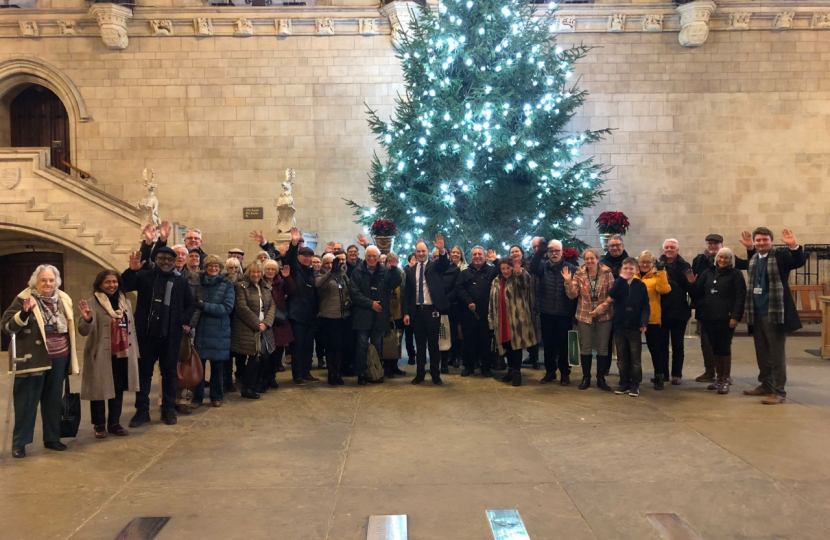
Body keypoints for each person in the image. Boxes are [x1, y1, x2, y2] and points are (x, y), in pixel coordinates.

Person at [2, 265, 79, 458]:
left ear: (57, 282)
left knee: (53, 401)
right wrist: (24, 314)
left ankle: (52, 438)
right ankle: (20, 443)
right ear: (35, 282)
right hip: (32, 359)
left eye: (51, 280)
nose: (48, 284)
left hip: (60, 357)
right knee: (26, 403)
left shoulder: (63, 299)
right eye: (43, 280)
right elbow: (7, 327)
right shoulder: (23, 299)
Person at [122, 247, 195, 427]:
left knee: (169, 373)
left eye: (170, 259)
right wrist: (132, 270)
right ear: (156, 259)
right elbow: (125, 285)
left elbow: (191, 304)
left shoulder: (181, 281)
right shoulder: (145, 276)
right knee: (144, 374)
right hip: (146, 334)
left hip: (170, 335)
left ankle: (168, 409)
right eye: (162, 258)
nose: (167, 262)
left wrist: (182, 321)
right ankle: (142, 411)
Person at [743, 228, 805, 404]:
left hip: (775, 313)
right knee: (762, 352)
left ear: (771, 241)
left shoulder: (780, 256)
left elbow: (798, 262)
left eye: (765, 240)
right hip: (757, 313)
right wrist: (749, 249)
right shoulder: (755, 259)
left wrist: (794, 245)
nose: (761, 243)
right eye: (758, 240)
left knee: (776, 354)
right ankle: (766, 385)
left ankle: (779, 391)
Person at [78, 270, 139, 439]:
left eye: (114, 282)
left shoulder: (125, 302)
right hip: (100, 353)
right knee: (99, 390)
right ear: (100, 284)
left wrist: (136, 352)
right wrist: (87, 319)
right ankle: (99, 424)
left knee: (118, 389)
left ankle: (114, 422)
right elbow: (83, 331)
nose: (112, 285)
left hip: (122, 352)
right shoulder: (92, 302)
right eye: (107, 282)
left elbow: (131, 327)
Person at [690, 232, 753, 383]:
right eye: (709, 243)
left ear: (721, 245)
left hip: (725, 313)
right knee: (706, 343)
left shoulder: (733, 267)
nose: (712, 246)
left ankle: (724, 376)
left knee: (722, 344)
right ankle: (710, 372)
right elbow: (696, 288)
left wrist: (751, 248)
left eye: (715, 243)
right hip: (706, 312)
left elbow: (751, 265)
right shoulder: (699, 261)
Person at [563, 248, 614, 391]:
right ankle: (586, 377)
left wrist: (601, 308)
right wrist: (567, 282)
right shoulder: (579, 274)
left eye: (592, 258)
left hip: (604, 315)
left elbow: (613, 294)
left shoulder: (607, 272)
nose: (590, 261)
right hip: (584, 314)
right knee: (585, 347)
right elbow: (572, 295)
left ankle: (601, 378)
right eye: (587, 259)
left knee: (603, 348)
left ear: (597, 259)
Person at [350, 245, 403, 385]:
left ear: (379, 257)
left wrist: (394, 269)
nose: (372, 258)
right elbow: (354, 293)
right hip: (362, 315)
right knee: (361, 345)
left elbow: (395, 283)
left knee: (378, 345)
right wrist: (370, 304)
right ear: (365, 257)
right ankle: (361, 373)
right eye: (369, 256)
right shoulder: (357, 272)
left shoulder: (385, 271)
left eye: (374, 256)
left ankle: (376, 372)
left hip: (380, 316)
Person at [403, 234, 450, 385]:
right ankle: (420, 374)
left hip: (432, 310)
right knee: (420, 345)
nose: (421, 254)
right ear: (415, 253)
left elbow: (444, 263)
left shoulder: (435, 266)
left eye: (424, 251)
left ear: (428, 252)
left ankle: (435, 375)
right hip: (417, 311)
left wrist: (442, 250)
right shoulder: (410, 271)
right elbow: (407, 294)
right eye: (418, 252)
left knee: (434, 344)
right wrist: (406, 313)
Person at [529, 239, 578, 385]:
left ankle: (564, 373)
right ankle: (550, 372)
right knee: (549, 345)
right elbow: (532, 268)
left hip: (564, 313)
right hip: (546, 312)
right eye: (551, 251)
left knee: (564, 346)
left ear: (562, 252)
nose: (554, 253)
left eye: (557, 250)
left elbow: (575, 292)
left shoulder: (571, 268)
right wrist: (539, 253)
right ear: (547, 253)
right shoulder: (542, 267)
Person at [192, 255, 235, 408]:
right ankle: (196, 398)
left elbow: (227, 308)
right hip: (201, 328)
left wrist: (205, 306)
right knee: (199, 365)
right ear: (205, 267)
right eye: (210, 265)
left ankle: (217, 396)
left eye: (216, 266)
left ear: (220, 268)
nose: (213, 268)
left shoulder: (227, 284)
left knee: (217, 366)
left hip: (219, 329)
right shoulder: (198, 282)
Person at [488, 257, 536, 387]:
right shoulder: (496, 282)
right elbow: (492, 302)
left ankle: (517, 372)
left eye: (508, 268)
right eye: (503, 268)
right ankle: (510, 370)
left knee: (516, 347)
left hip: (516, 320)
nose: (505, 271)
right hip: (502, 319)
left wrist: (519, 271)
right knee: (507, 347)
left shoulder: (517, 279)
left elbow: (525, 282)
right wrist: (491, 319)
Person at [231, 262, 276, 398]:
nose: (256, 275)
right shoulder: (242, 287)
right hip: (248, 328)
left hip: (264, 328)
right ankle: (247, 387)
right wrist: (258, 324)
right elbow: (242, 308)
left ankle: (256, 383)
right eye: (253, 272)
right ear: (248, 273)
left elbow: (272, 306)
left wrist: (266, 323)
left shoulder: (265, 287)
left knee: (264, 357)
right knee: (254, 358)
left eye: (258, 272)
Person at [456, 246, 500, 377]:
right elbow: (459, 288)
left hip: (487, 312)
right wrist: (469, 301)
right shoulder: (464, 273)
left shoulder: (492, 271)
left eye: (480, 254)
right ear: (471, 257)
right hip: (469, 313)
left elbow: (504, 271)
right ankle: (469, 366)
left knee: (485, 341)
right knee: (469, 341)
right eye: (474, 254)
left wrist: (496, 261)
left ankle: (486, 367)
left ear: (485, 256)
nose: (477, 256)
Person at [609, 258, 650, 397]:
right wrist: (621, 279)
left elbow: (645, 306)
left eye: (631, 268)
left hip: (634, 327)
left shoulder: (641, 285)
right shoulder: (618, 283)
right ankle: (624, 382)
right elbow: (612, 294)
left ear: (636, 270)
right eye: (625, 268)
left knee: (635, 358)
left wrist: (644, 321)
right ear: (621, 269)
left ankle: (635, 383)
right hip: (620, 326)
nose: (628, 271)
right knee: (622, 358)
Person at [284, 227, 320, 385]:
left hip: (310, 315)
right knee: (297, 347)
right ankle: (297, 375)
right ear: (299, 257)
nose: (308, 258)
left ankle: (306, 372)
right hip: (297, 314)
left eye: (310, 256)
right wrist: (294, 242)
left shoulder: (311, 272)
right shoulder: (294, 269)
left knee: (307, 346)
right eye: (305, 255)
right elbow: (290, 258)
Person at [658, 239, 693, 385]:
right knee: (662, 344)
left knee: (678, 345)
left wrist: (691, 282)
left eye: (672, 247)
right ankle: (664, 373)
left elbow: (689, 286)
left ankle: (677, 374)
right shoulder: (658, 264)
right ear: (663, 249)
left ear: (677, 250)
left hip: (679, 310)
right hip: (662, 310)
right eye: (666, 247)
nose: (669, 249)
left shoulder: (685, 266)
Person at [635, 251, 671, 390]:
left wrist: (661, 271)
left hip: (652, 318)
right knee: (634, 349)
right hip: (635, 319)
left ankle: (659, 376)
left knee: (655, 349)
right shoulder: (634, 275)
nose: (645, 264)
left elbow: (664, 290)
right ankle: (634, 376)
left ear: (652, 264)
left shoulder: (657, 276)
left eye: (648, 262)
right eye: (642, 262)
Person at [316, 253, 352, 385]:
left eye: (333, 263)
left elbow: (349, 289)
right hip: (329, 317)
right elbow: (320, 286)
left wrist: (349, 301)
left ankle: (338, 372)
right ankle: (331, 373)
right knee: (331, 347)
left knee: (340, 347)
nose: (331, 265)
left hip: (343, 316)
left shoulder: (342, 275)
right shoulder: (320, 275)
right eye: (328, 263)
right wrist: (332, 272)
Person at [264, 259, 294, 380]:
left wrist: (287, 278)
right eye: (268, 269)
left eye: (273, 269)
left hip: (277, 320)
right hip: (264, 319)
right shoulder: (260, 281)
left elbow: (291, 290)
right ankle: (264, 378)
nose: (270, 271)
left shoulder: (280, 282)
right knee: (265, 351)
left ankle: (272, 378)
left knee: (275, 352)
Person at [435, 248, 461, 373]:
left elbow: (457, 288)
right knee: (440, 335)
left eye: (438, 257)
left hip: (452, 307)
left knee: (452, 333)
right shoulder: (432, 270)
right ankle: (442, 360)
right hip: (435, 307)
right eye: (434, 257)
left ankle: (454, 357)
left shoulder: (455, 269)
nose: (436, 259)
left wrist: (444, 300)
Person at [386, 253, 408, 378]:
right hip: (387, 314)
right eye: (391, 260)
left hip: (399, 313)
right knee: (387, 341)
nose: (393, 262)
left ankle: (394, 366)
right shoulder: (384, 274)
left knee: (397, 341)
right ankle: (387, 366)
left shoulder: (401, 274)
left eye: (396, 260)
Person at [404, 253, 418, 364]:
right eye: (413, 258)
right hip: (410, 308)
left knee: (421, 336)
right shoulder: (406, 272)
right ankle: (411, 355)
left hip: (421, 310)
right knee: (409, 336)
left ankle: (421, 355)